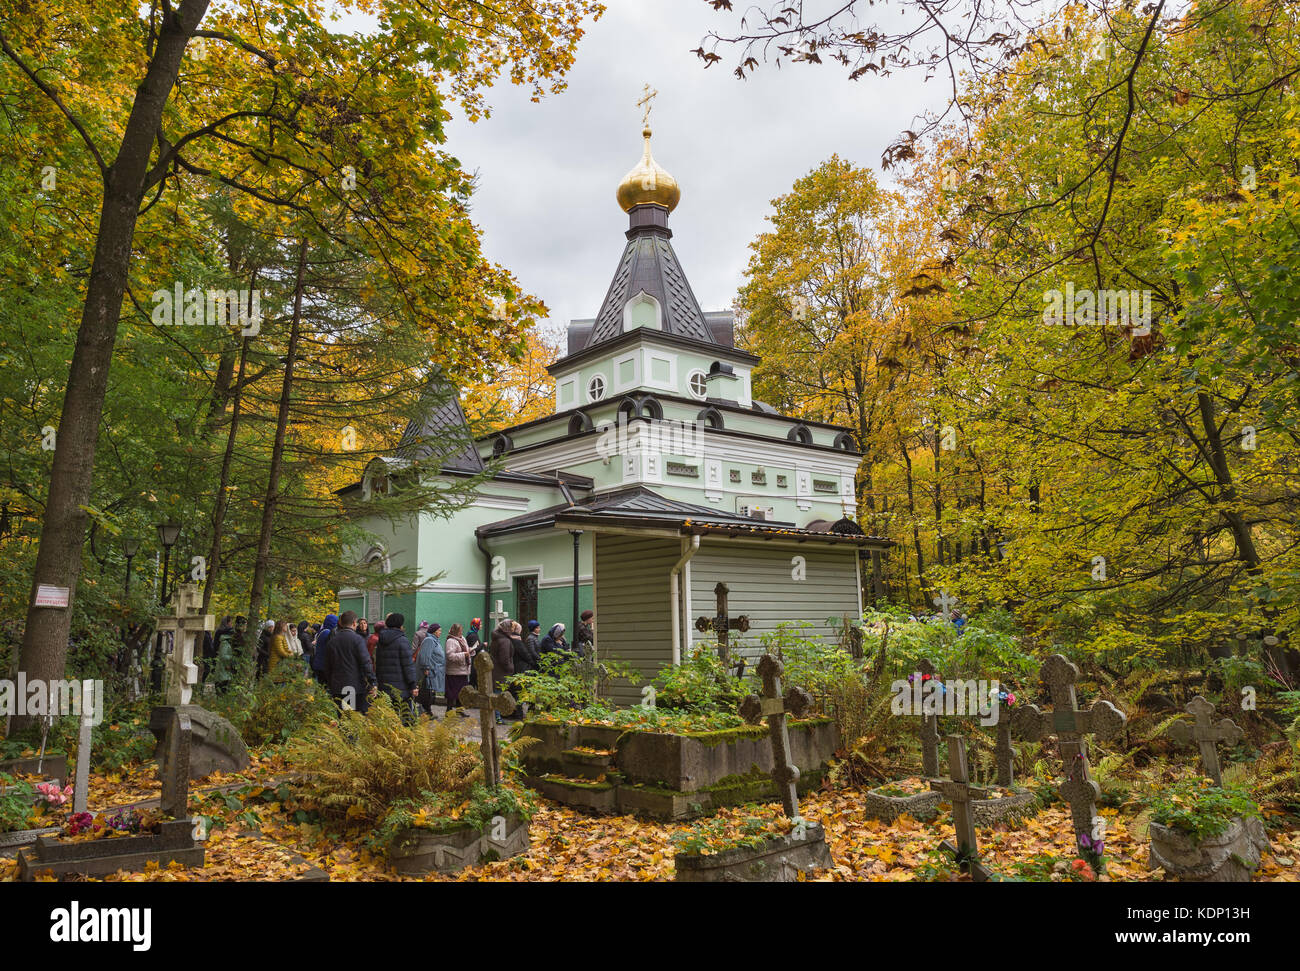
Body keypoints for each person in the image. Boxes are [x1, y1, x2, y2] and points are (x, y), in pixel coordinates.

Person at [325, 611, 376, 713]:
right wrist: (372, 682)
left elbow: (327, 666)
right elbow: (366, 662)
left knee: (343, 718)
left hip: (337, 686)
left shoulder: (332, 641)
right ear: (354, 623)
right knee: (354, 718)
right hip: (354, 685)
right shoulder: (357, 640)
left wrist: (330, 684)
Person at [374, 613, 417, 722]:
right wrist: (413, 685)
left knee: (388, 719)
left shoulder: (381, 640)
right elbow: (408, 665)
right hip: (401, 689)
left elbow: (378, 662)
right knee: (405, 718)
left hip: (385, 686)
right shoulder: (402, 640)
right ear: (399, 625)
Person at [416, 622, 445, 718]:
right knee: (426, 692)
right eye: (439, 630)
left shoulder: (434, 640)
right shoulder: (429, 640)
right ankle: (426, 712)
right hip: (429, 671)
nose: (440, 632)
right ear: (434, 631)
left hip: (434, 671)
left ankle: (427, 711)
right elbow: (425, 655)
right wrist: (426, 667)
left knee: (430, 692)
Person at [488, 619, 515, 721]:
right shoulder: (505, 641)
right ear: (507, 628)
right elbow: (504, 659)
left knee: (496, 692)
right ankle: (497, 717)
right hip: (501, 671)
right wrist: (511, 668)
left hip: (496, 670)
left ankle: (496, 715)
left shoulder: (497, 638)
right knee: (498, 694)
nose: (513, 629)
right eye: (511, 627)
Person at [444, 623, 472, 712]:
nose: (461, 632)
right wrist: (464, 654)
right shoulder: (450, 641)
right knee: (452, 692)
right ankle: (449, 711)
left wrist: (470, 651)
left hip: (463, 671)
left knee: (462, 692)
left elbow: (466, 650)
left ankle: (460, 711)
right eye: (460, 631)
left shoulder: (462, 639)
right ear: (455, 631)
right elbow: (450, 656)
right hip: (454, 672)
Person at [311, 614, 338, 686]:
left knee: (320, 685)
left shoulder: (322, 631)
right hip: (323, 665)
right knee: (324, 686)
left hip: (318, 663)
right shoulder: (328, 632)